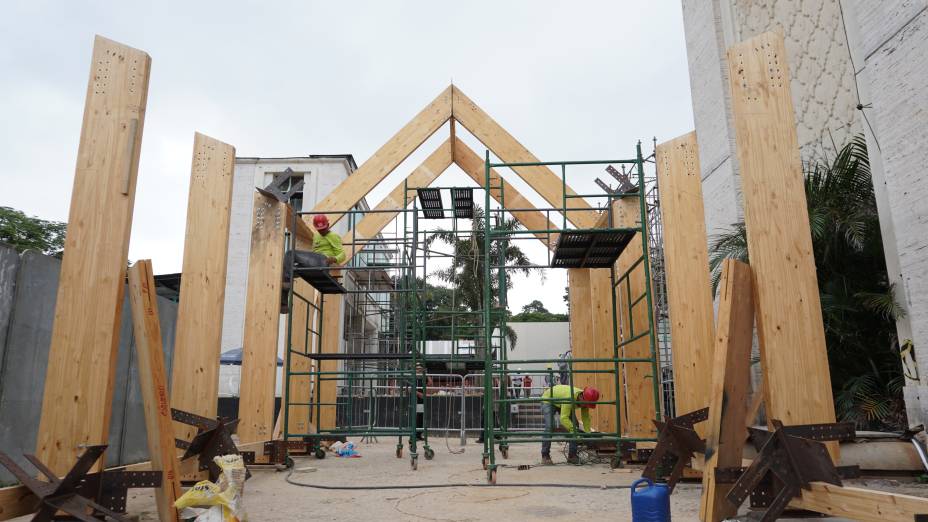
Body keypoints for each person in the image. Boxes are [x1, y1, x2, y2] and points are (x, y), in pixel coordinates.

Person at [540, 384, 599, 465]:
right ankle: (545, 455)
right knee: (550, 426)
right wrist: (574, 429)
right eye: (586, 404)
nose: (586, 406)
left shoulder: (586, 400)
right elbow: (563, 418)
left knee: (575, 425)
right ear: (581, 397)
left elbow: (585, 418)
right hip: (549, 399)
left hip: (561, 400)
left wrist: (588, 434)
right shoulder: (570, 397)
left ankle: (572, 456)